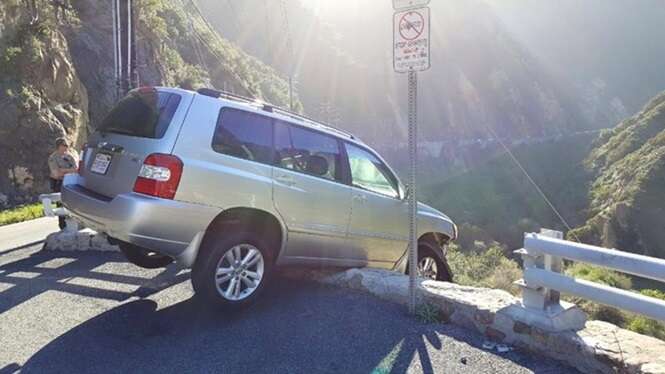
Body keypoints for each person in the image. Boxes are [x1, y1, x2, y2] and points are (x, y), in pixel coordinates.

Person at [48, 138, 78, 230]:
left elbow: (76, 170)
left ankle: (75, 223)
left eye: (67, 145)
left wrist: (64, 170)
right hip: (59, 183)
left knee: (73, 204)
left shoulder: (69, 157)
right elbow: (56, 174)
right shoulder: (53, 158)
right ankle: (63, 225)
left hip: (70, 182)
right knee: (60, 204)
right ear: (59, 146)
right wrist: (69, 171)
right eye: (64, 145)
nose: (66, 147)